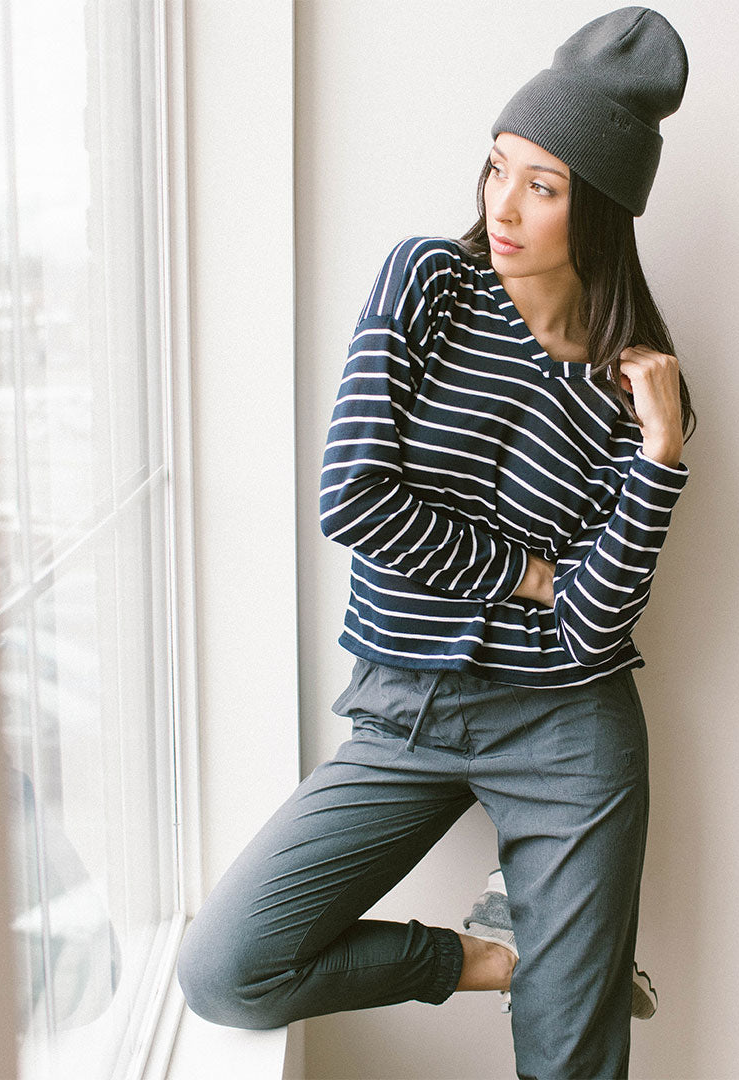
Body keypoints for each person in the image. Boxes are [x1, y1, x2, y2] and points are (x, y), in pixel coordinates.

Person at [177, 7, 694, 1078]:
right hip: (404, 707)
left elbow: (592, 624)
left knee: (569, 1065)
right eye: (498, 166)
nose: (503, 205)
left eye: (543, 186)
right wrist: (528, 573)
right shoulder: (428, 281)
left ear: (600, 207)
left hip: (566, 726)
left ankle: (559, 969)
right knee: (227, 969)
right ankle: (501, 954)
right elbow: (354, 500)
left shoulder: (634, 388)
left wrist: (659, 457)